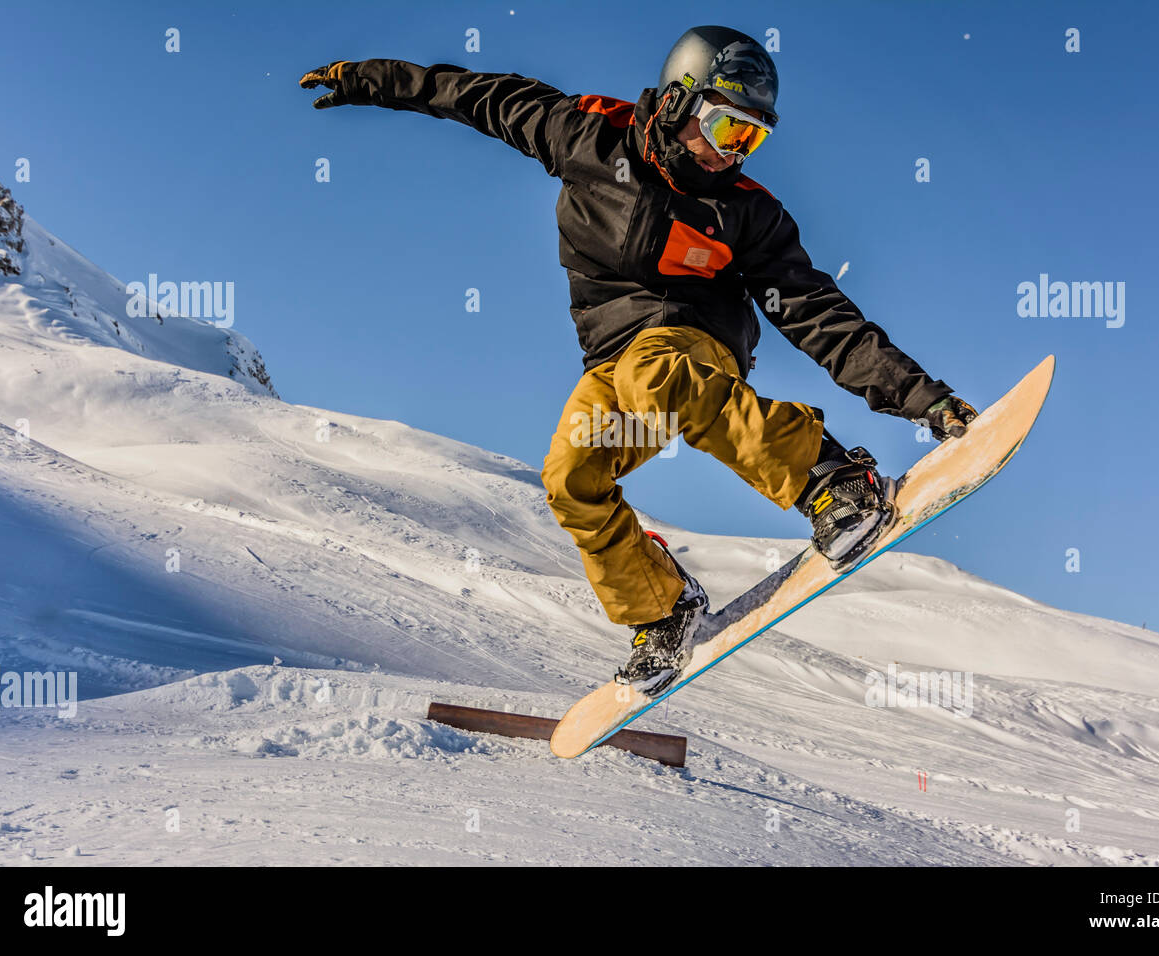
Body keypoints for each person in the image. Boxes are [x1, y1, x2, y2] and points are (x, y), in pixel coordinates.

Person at [300, 25, 977, 696]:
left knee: (657, 371)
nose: (730, 154)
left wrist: (923, 399)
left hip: (695, 342)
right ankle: (662, 608)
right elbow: (475, 95)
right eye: (725, 128)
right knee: (572, 476)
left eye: (750, 139)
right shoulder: (586, 135)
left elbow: (820, 316)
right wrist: (367, 79)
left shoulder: (745, 214)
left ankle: (832, 480)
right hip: (611, 360)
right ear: (680, 101)